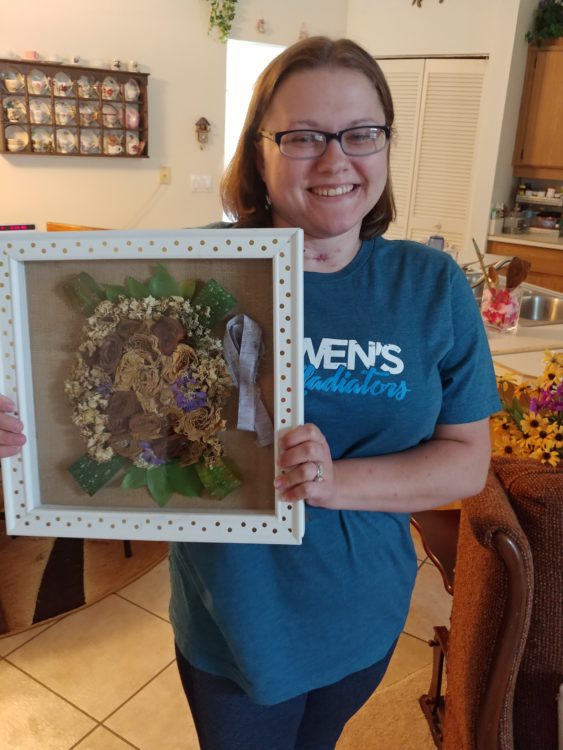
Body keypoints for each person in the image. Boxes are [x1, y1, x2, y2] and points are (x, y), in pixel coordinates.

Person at [0, 37, 501, 750]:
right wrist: (27, 427)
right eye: (302, 137)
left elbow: (463, 461)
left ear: (385, 145)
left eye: (362, 133)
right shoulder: (194, 271)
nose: (335, 161)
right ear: (258, 154)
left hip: (364, 610)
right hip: (233, 620)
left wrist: (331, 481)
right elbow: (86, 380)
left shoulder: (428, 284)